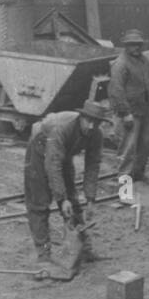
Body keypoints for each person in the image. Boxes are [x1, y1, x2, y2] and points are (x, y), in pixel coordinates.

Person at [24, 100, 107, 264]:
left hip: (63, 155)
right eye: (88, 121)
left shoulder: (96, 134)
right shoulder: (62, 128)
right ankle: (44, 254)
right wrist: (62, 199)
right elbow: (53, 165)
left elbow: (93, 165)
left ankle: (83, 249)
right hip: (40, 150)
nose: (91, 127)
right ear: (81, 117)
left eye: (95, 123)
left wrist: (91, 199)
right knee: (39, 204)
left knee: (74, 203)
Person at [108, 28, 149, 181]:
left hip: (146, 112)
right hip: (131, 114)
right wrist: (125, 113)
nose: (136, 47)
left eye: (138, 44)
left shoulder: (144, 61)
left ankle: (138, 177)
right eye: (132, 44)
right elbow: (116, 90)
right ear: (126, 46)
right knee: (127, 152)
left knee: (144, 148)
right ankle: (124, 191)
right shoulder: (120, 64)